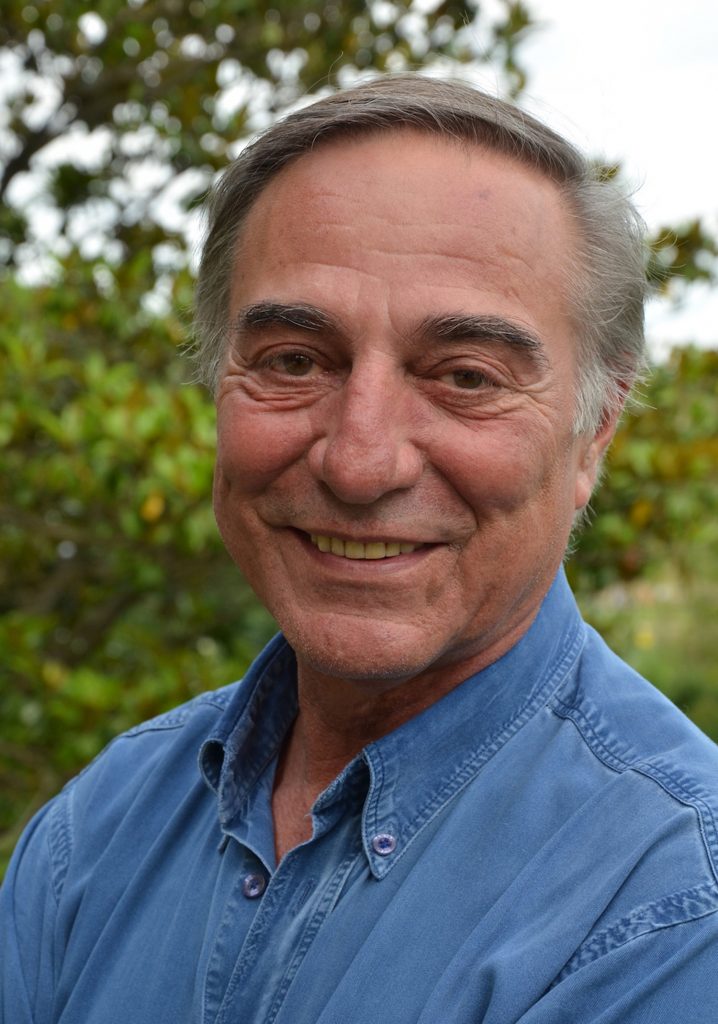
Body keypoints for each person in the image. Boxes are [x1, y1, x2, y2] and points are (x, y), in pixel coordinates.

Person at [2, 75, 717, 1024]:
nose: (360, 461)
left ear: (595, 432)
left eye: (466, 377)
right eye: (295, 361)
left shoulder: (673, 906)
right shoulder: (95, 832)